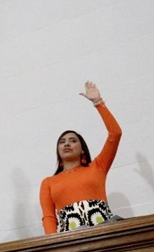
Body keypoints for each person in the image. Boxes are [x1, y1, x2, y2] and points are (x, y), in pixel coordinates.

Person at [39, 81, 123, 234]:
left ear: (82, 149)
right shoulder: (48, 183)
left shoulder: (98, 167)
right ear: (58, 150)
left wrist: (98, 103)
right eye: (62, 142)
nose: (67, 144)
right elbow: (49, 217)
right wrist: (52, 245)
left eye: (72, 141)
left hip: (106, 232)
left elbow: (115, 134)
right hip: (71, 240)